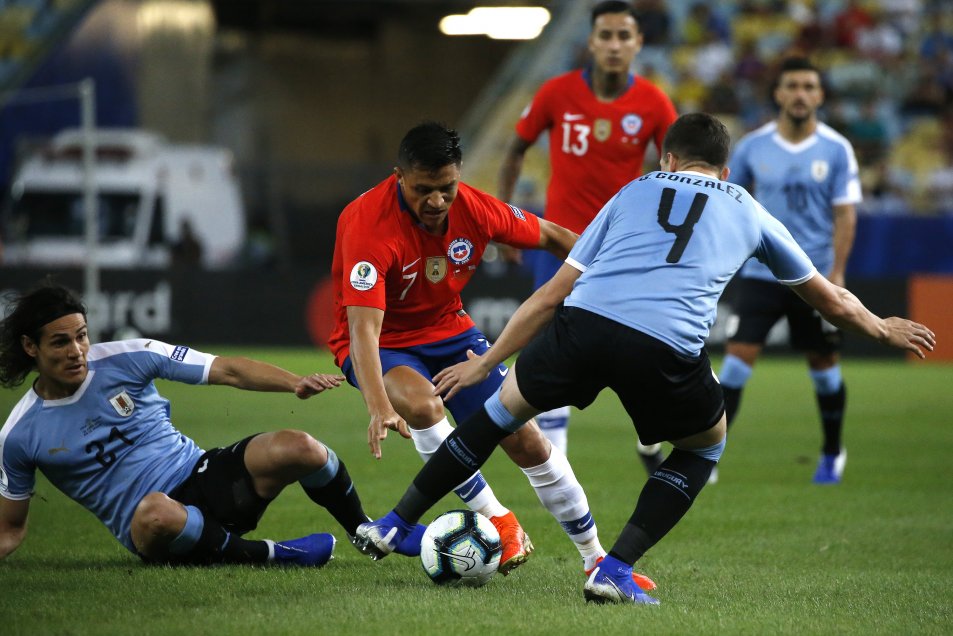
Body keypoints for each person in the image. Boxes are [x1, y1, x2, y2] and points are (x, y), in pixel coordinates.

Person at [352, 113, 935, 605]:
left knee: (497, 417)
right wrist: (881, 328)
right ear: (726, 172)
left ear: (667, 160)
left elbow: (552, 294)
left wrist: (487, 362)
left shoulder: (632, 192)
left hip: (581, 327)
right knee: (704, 444)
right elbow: (829, 301)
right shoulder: (749, 209)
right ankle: (614, 567)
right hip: (664, 347)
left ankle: (395, 521)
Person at [328, 121, 655, 589]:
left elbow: (550, 235)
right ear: (399, 175)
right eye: (423, 190)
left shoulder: (476, 209)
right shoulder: (367, 223)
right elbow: (363, 328)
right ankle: (498, 519)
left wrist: (609, 274)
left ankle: (596, 558)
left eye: (447, 188)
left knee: (526, 440)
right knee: (423, 405)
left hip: (450, 331)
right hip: (382, 342)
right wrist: (379, 405)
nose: (437, 202)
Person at [0, 283, 425, 565]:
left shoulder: (127, 356)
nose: (77, 350)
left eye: (82, 335)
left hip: (204, 475)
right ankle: (275, 555)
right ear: (29, 346)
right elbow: (10, 529)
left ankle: (366, 531)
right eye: (61, 341)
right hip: (154, 527)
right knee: (154, 511)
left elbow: (227, 370)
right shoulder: (20, 434)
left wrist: (295, 383)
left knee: (303, 447)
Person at [497, 0, 677, 466]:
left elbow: (677, 172)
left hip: (625, 246)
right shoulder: (556, 92)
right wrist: (504, 220)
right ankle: (557, 463)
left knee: (643, 342)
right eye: (606, 35)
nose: (615, 45)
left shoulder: (654, 102)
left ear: (638, 43)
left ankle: (650, 433)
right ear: (591, 42)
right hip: (560, 243)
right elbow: (515, 149)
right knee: (551, 342)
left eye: (624, 36)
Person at [719, 57, 862, 485]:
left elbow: (845, 215)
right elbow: (730, 201)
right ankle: (708, 456)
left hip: (814, 278)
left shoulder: (836, 149)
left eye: (808, 87)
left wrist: (837, 274)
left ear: (819, 95)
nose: (800, 94)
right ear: (778, 94)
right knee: (735, 366)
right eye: (792, 86)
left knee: (824, 368)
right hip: (763, 275)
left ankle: (833, 452)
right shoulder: (752, 146)